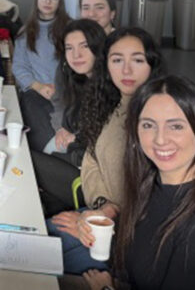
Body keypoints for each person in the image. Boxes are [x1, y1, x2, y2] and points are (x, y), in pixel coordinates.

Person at [82, 76, 195, 290]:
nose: (160, 139)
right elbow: (137, 255)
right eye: (148, 125)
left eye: (175, 126)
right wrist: (96, 228)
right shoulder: (151, 184)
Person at [50, 27, 166, 274]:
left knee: (37, 258)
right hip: (101, 216)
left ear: (152, 64)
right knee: (37, 239)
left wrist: (108, 214)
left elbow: (156, 198)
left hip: (131, 242)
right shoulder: (114, 105)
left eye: (137, 60)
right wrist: (103, 206)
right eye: (117, 60)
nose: (126, 70)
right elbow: (91, 160)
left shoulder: (158, 120)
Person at [30, 19, 105, 216]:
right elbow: (65, 107)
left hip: (91, 173)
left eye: (84, 46)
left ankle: (59, 199)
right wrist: (63, 128)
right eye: (69, 48)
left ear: (98, 47)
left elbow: (103, 143)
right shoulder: (77, 78)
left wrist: (75, 139)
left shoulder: (109, 86)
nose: (76, 55)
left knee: (24, 160)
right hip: (75, 150)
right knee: (29, 99)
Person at [13, 0, 71, 151]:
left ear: (60, 2)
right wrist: (38, 86)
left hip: (66, 90)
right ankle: (49, 153)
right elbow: (19, 66)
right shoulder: (26, 32)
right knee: (34, 109)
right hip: (35, 90)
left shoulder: (71, 28)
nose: (48, 1)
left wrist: (60, 86)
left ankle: (59, 151)